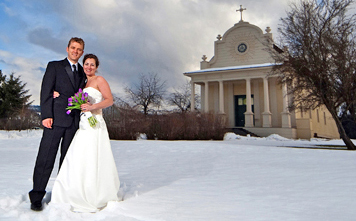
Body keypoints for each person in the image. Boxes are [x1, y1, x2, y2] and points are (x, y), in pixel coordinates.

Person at [50, 54, 120, 212]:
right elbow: (70, 93)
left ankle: (93, 192)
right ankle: (73, 189)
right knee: (78, 155)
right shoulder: (82, 81)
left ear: (96, 67)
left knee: (93, 155)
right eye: (86, 64)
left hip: (95, 123)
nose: (89, 67)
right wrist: (57, 92)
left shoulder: (99, 80)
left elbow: (109, 100)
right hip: (83, 124)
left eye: (92, 65)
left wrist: (92, 107)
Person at [29, 37, 86, 211]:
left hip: (73, 123)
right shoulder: (54, 66)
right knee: (46, 158)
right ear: (67, 48)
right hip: (54, 120)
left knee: (67, 160)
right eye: (73, 48)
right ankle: (37, 195)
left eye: (79, 49)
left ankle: (62, 194)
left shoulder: (83, 72)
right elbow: (46, 90)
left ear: (82, 52)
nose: (75, 51)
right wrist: (46, 114)